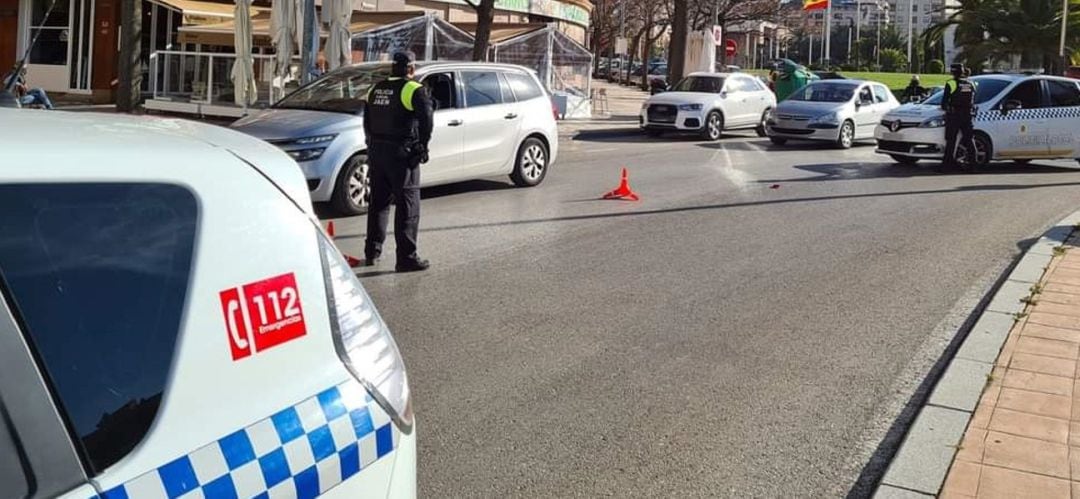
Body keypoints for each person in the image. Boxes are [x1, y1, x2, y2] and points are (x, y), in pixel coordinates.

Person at [362, 51, 433, 272]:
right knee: (408, 205)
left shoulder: (375, 88)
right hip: (402, 153)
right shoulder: (413, 89)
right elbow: (427, 120)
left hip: (377, 151)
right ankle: (406, 258)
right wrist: (422, 145)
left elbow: (367, 120)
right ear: (411, 69)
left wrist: (372, 142)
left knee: (378, 203)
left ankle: (372, 251)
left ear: (393, 68)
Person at [941, 63, 978, 169]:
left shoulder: (951, 83)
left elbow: (944, 103)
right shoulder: (971, 83)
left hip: (954, 115)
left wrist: (947, 109)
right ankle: (973, 164)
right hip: (967, 115)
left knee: (951, 140)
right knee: (969, 139)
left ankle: (947, 165)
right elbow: (973, 98)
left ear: (952, 72)